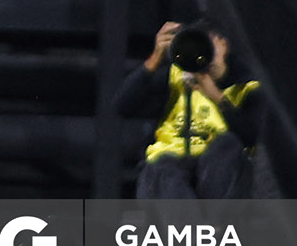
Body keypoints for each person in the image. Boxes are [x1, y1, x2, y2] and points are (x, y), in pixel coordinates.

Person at [113, 18, 264, 199]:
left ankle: (212, 224)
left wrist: (216, 96)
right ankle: (194, 227)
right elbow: (122, 106)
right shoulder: (175, 76)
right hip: (170, 171)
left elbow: (253, 138)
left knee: (227, 145)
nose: (203, 55)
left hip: (218, 175)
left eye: (208, 46)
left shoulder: (246, 85)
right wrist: (154, 59)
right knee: (163, 166)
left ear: (224, 45)